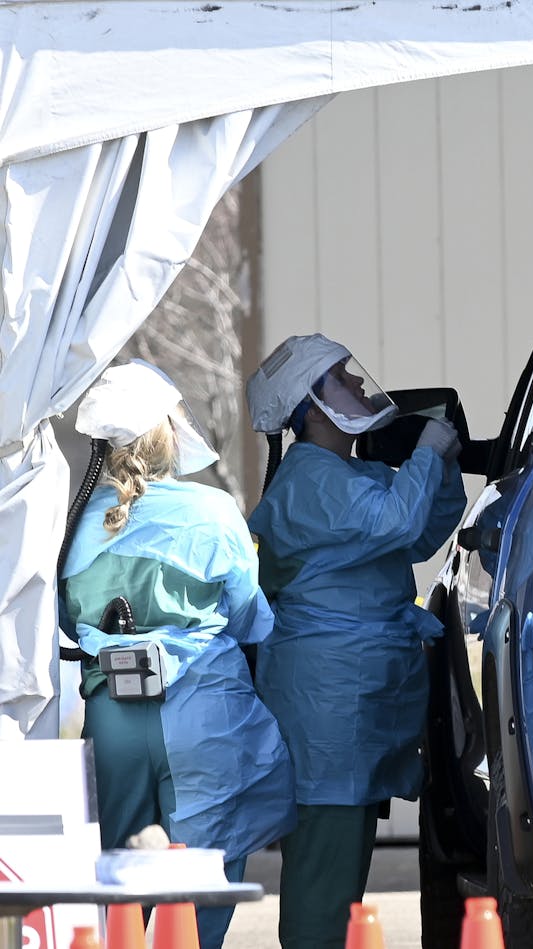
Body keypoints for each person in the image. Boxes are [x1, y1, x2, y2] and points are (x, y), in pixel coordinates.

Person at [59, 360, 295, 949]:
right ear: (167, 430)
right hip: (200, 711)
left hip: (111, 715)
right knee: (200, 874)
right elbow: (249, 618)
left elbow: (67, 619)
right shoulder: (210, 512)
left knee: (120, 876)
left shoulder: (71, 527)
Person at [244, 333, 467, 949]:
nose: (362, 385)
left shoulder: (348, 472)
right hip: (330, 706)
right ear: (313, 408)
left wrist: (439, 465)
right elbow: (396, 519)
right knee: (326, 873)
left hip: (353, 702)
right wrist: (424, 454)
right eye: (344, 377)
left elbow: (417, 533)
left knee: (343, 872)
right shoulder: (310, 478)